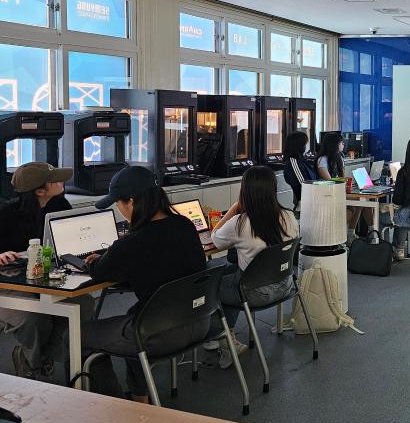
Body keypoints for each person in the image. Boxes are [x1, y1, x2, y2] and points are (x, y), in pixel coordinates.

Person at [82, 166, 206, 402]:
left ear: (131, 202)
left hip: (160, 333)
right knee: (134, 315)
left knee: (81, 336)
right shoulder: (185, 225)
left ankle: (116, 402)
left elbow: (99, 272)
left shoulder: (132, 243)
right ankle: (140, 398)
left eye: (118, 203)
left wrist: (97, 260)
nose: (119, 210)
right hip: (199, 320)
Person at [0, 162, 93, 380]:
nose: (62, 181)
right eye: (55, 180)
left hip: (45, 279)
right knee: (33, 316)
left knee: (84, 304)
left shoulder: (60, 204)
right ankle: (33, 364)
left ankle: (40, 356)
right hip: (8, 284)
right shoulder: (5, 213)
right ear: (40, 191)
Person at [211, 165, 299, 369]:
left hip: (254, 294)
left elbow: (215, 238)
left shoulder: (240, 223)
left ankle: (223, 339)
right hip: (285, 285)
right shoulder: (288, 217)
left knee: (212, 285)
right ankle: (226, 334)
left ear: (246, 192)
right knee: (229, 274)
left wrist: (234, 209)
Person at [282, 131, 318, 209]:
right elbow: (304, 186)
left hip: (312, 201)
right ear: (299, 145)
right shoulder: (293, 162)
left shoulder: (301, 160)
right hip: (305, 206)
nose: (307, 146)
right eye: (305, 144)